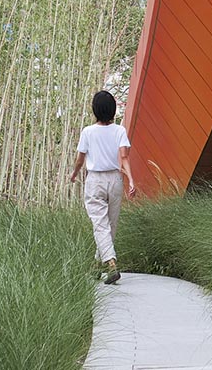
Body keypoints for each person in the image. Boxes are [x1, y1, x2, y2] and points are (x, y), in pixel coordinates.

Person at [70, 90, 136, 285]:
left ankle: (111, 264)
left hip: (96, 181)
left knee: (100, 225)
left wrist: (73, 174)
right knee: (110, 226)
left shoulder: (88, 132)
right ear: (113, 110)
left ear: (95, 110)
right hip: (115, 180)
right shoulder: (119, 130)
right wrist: (131, 180)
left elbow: (80, 159)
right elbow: (124, 157)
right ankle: (97, 266)